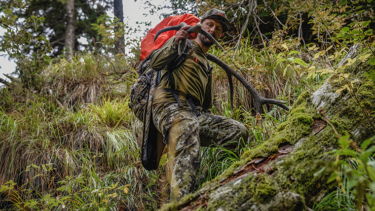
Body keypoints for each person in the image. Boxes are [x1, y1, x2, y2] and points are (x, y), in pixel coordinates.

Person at [149, 8, 249, 201]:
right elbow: (156, 62)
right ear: (200, 25)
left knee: (238, 131)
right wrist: (176, 40)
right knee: (187, 127)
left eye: (218, 28)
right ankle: (180, 202)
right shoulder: (183, 43)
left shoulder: (206, 64)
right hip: (168, 106)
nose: (213, 30)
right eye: (209, 25)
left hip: (194, 114)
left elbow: (206, 105)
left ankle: (213, 187)